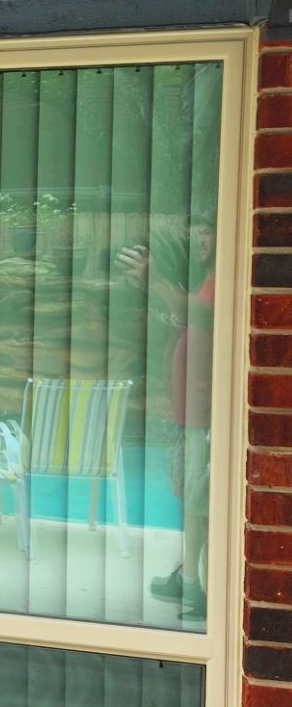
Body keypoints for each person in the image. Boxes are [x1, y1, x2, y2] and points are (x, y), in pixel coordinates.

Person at [117, 217, 214, 624]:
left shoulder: (226, 274)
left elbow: (199, 314)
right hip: (189, 407)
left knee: (197, 495)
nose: (199, 237)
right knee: (190, 494)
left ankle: (193, 582)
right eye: (197, 230)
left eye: (208, 229)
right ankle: (188, 573)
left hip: (203, 408)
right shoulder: (208, 275)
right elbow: (190, 315)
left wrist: (156, 281)